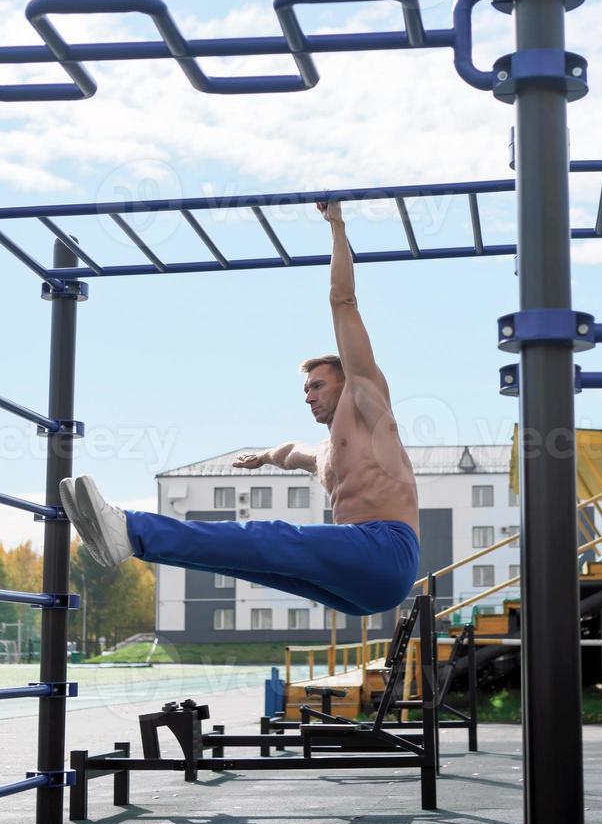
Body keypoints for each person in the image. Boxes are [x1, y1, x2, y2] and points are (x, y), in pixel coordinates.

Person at [60, 201, 420, 616]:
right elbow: (289, 453)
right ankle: (128, 543)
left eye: (318, 385)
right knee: (249, 559)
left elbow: (343, 301)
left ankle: (131, 527)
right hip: (361, 588)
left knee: (270, 538)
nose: (309, 396)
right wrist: (263, 457)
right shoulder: (325, 454)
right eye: (305, 390)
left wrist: (336, 225)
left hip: (386, 551)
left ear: (346, 379)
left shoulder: (366, 398)